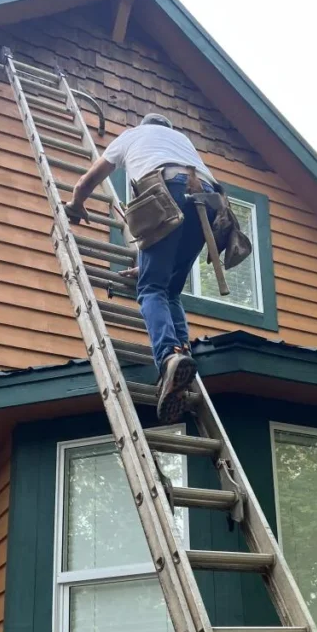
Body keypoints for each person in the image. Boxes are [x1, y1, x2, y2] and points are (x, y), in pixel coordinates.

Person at [64, 112, 218, 424]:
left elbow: (88, 180)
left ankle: (168, 356)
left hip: (166, 191)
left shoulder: (132, 135)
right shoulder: (184, 142)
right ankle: (181, 354)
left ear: (145, 125)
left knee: (151, 289)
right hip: (209, 203)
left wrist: (76, 203)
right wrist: (150, 265)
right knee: (170, 290)